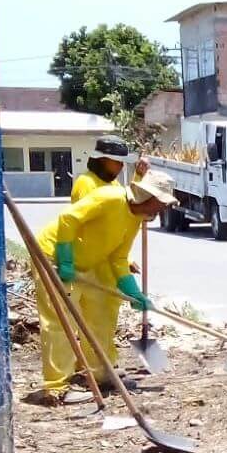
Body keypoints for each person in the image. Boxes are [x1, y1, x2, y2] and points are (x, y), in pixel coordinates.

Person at [32, 170, 178, 404]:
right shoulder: (110, 197)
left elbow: (119, 257)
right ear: (145, 196)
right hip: (54, 257)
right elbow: (68, 219)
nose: (161, 210)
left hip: (88, 261)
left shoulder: (135, 218)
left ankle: (100, 374)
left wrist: (133, 292)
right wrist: (66, 260)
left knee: (100, 315)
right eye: (159, 203)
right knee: (61, 322)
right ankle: (57, 387)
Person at [70, 136, 150, 353]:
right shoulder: (86, 184)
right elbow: (97, 227)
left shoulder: (112, 184)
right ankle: (96, 369)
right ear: (101, 159)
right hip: (91, 262)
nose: (120, 165)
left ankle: (104, 363)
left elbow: (128, 204)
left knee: (107, 316)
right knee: (96, 318)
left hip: (107, 261)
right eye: (116, 161)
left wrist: (139, 177)